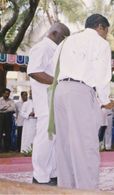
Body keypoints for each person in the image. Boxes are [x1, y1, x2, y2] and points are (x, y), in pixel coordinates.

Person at [53, 14, 114, 190]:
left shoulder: (67, 41)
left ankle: (66, 190)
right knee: (85, 145)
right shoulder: (100, 43)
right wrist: (105, 99)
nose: (105, 35)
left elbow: (53, 67)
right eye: (106, 31)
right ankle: (87, 191)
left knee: (64, 145)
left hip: (60, 91)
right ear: (100, 27)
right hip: (79, 91)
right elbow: (102, 74)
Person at [27, 23, 70, 185]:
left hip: (53, 101)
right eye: (62, 37)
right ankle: (40, 176)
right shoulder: (43, 47)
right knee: (45, 138)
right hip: (45, 102)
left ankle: (51, 172)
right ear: (53, 33)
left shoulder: (53, 49)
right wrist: (58, 82)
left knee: (53, 138)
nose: (63, 40)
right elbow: (34, 71)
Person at [0, 88, 16, 152]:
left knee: (8, 133)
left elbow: (13, 109)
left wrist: (3, 108)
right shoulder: (0, 100)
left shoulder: (11, 101)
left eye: (8, 94)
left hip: (8, 117)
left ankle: (7, 148)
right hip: (1, 117)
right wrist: (7, 106)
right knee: (0, 132)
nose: (7, 95)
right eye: (6, 93)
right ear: (3, 93)